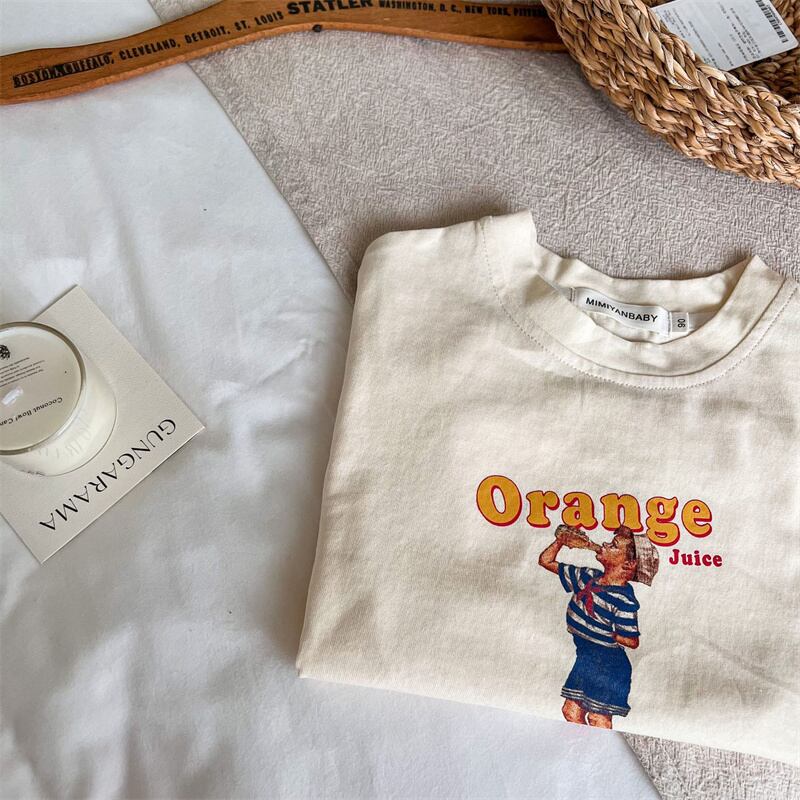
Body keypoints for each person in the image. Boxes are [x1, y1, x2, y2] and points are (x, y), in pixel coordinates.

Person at [538, 523, 658, 728]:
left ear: (629, 564)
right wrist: (560, 542)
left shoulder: (624, 600)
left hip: (609, 666)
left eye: (613, 545)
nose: (604, 544)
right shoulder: (587, 577)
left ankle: (602, 746)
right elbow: (546, 561)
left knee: (597, 718)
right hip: (586, 659)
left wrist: (609, 634)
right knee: (570, 712)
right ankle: (585, 746)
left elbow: (632, 641)